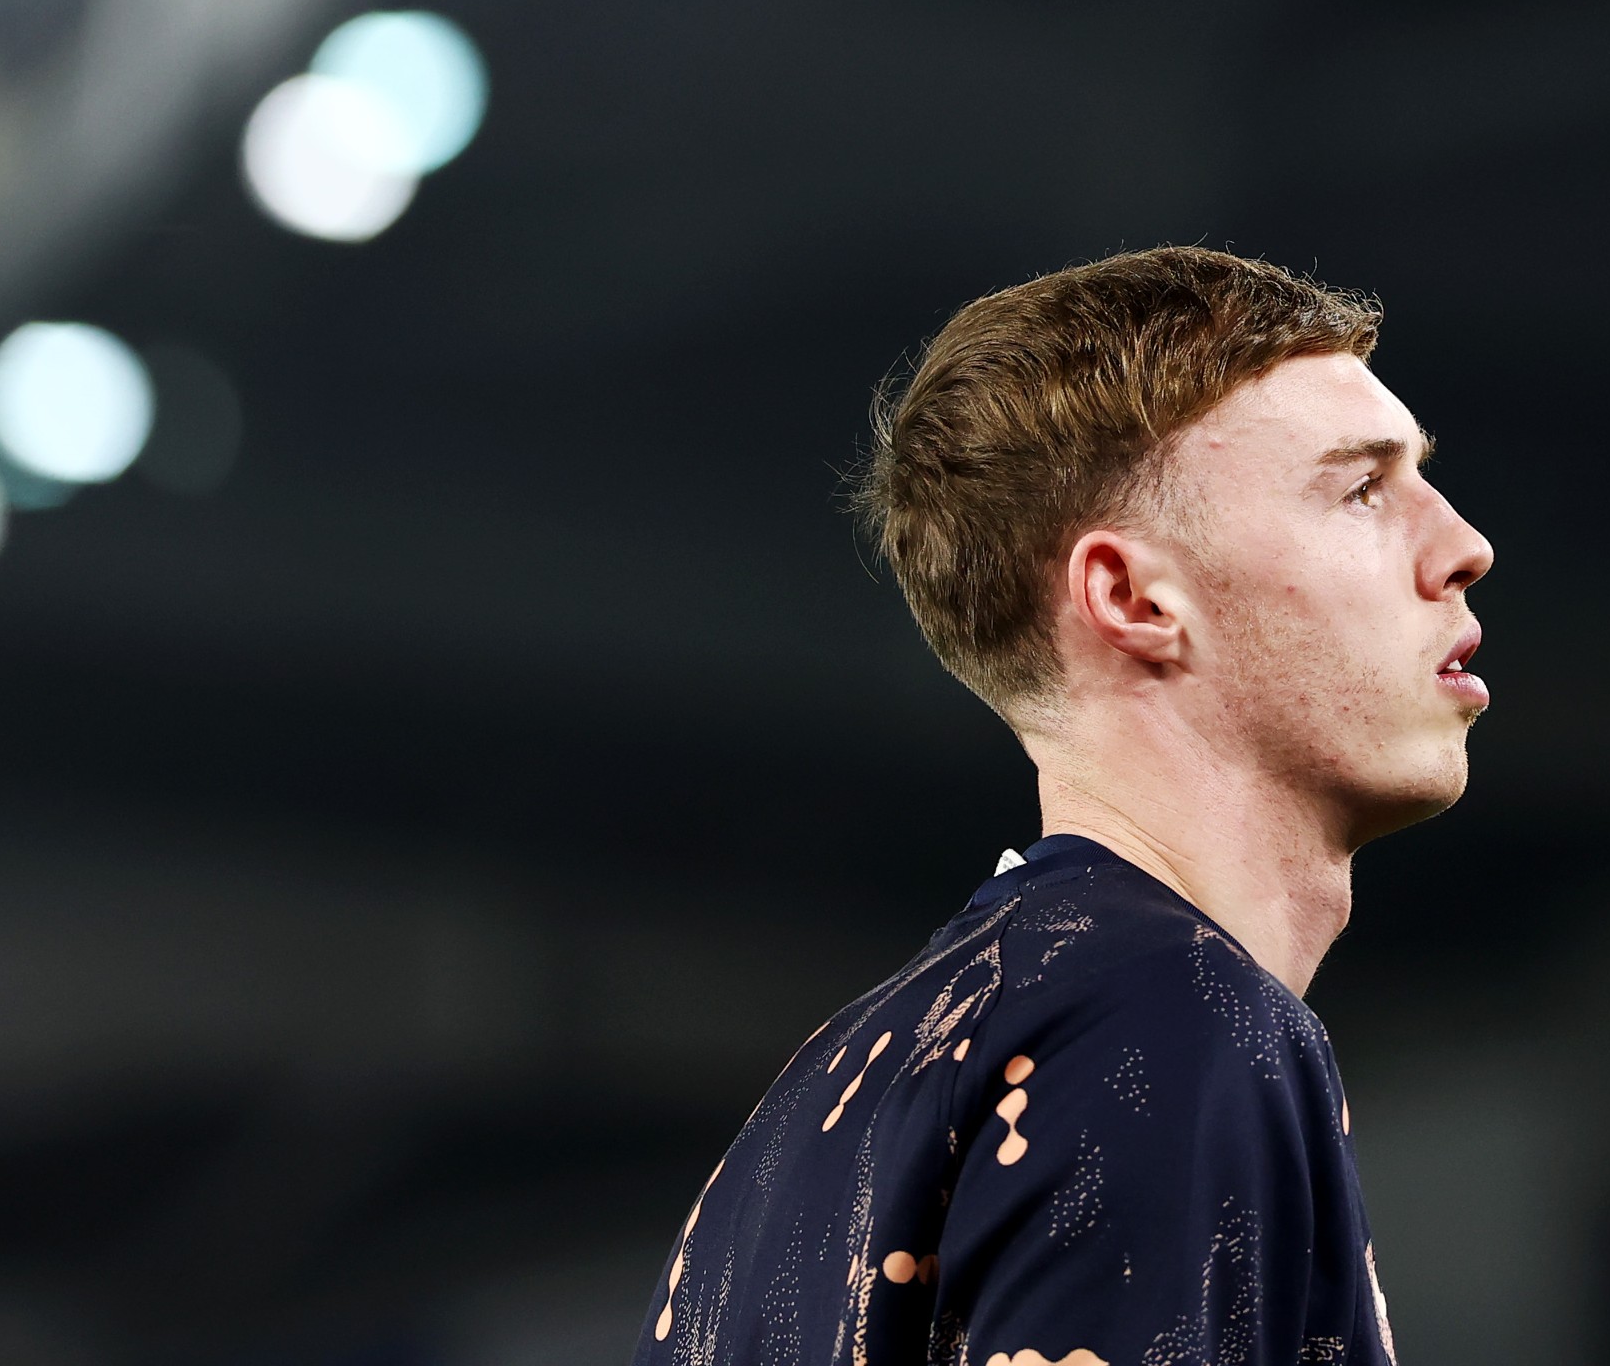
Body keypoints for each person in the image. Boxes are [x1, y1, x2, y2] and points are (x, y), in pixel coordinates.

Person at [636, 248, 1494, 1366]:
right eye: (1363, 487)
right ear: (1132, 597)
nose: (1463, 546)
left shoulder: (808, 1117)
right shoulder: (1170, 1019)